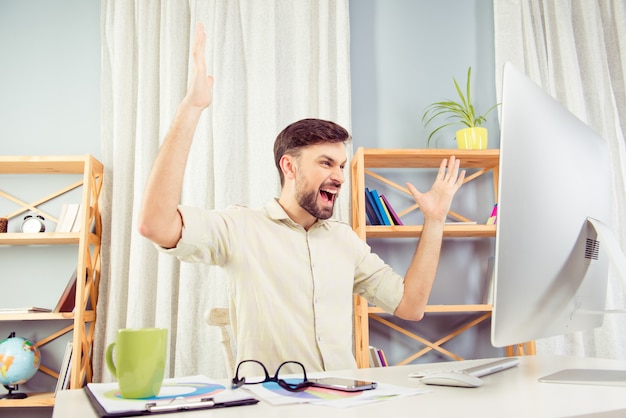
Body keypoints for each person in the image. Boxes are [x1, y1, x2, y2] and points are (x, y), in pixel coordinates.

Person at [138, 24, 466, 374]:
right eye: (326, 163)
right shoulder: (240, 227)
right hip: (272, 403)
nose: (339, 175)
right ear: (289, 167)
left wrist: (434, 220)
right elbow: (155, 224)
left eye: (341, 164)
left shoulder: (344, 241)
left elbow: (410, 306)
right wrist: (192, 107)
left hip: (345, 401)